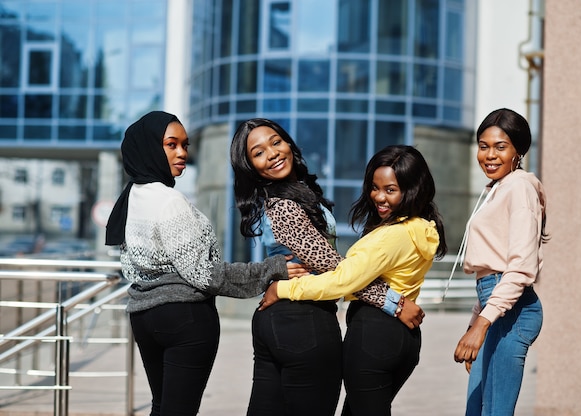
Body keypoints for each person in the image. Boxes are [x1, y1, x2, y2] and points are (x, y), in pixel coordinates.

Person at [230, 120, 426, 416]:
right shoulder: (282, 205)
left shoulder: (296, 193)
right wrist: (394, 303)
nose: (271, 153)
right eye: (258, 153)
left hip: (276, 320)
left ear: (288, 144)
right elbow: (334, 266)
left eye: (275, 142)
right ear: (250, 166)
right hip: (302, 320)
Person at [105, 111, 289, 416]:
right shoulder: (168, 200)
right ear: (150, 147)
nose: (182, 154)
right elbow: (204, 274)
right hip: (184, 317)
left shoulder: (132, 197)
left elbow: (135, 266)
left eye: (185, 145)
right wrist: (271, 268)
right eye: (171, 145)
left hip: (144, 317)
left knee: (162, 406)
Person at [452, 108, 547, 416]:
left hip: (514, 312)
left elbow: (518, 268)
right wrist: (475, 321)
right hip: (494, 308)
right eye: (483, 146)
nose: (489, 155)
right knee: (477, 410)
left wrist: (481, 324)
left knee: (494, 412)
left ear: (517, 151)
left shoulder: (519, 188)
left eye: (500, 146)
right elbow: (490, 267)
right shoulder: (498, 189)